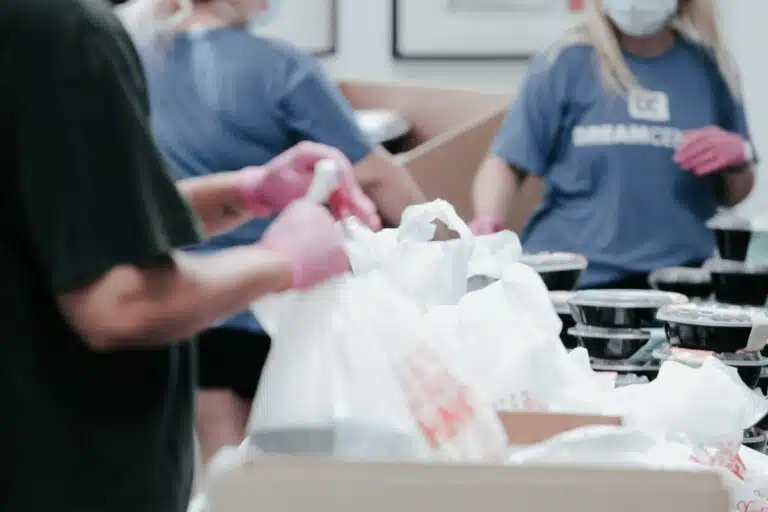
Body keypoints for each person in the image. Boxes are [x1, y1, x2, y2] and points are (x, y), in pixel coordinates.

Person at [0, 0, 375, 510]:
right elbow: (121, 303)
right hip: (68, 474)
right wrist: (281, 260)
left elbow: (78, 217)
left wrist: (246, 194)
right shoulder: (64, 32)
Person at [117, 0, 428, 464]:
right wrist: (446, 243)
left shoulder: (137, 58)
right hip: (265, 307)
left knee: (213, 472)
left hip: (180, 299)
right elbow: (375, 175)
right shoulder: (280, 67)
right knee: (276, 476)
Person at [470, 0, 756, 289]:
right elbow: (505, 163)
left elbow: (733, 194)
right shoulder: (563, 63)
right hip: (575, 285)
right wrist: (488, 218)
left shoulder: (710, 69)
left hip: (680, 287)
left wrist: (737, 161)